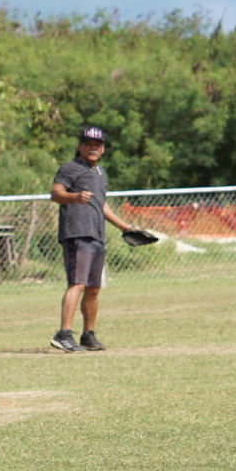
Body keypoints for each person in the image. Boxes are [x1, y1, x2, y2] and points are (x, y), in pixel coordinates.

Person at [49, 126, 142, 353]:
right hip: (77, 233)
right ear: (80, 146)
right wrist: (74, 196)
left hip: (96, 234)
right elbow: (55, 193)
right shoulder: (70, 168)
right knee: (77, 283)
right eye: (89, 143)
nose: (93, 147)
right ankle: (63, 334)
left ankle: (88, 335)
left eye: (98, 145)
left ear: (102, 149)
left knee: (93, 288)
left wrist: (125, 227)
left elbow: (101, 204)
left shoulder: (99, 173)